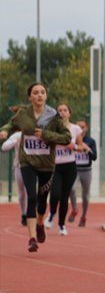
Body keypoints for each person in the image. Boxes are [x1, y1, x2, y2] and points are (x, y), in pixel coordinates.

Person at [0, 83, 71, 252]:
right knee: (31, 197)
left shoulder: (53, 115)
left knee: (41, 200)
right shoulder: (23, 113)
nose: (39, 95)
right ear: (30, 97)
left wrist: (46, 135)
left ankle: (40, 223)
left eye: (42, 92)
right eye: (35, 93)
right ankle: (32, 238)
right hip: (27, 162)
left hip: (46, 164)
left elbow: (66, 138)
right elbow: (11, 124)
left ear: (46, 96)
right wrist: (4, 131)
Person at [46, 104, 84, 235]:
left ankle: (61, 225)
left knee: (64, 197)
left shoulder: (75, 128)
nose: (62, 112)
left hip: (70, 166)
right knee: (55, 193)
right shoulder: (53, 128)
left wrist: (73, 147)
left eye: (65, 110)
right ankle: (51, 214)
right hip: (55, 165)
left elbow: (81, 146)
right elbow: (46, 143)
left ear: (69, 113)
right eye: (60, 110)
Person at [68, 120, 97, 227]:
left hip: (86, 171)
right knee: (71, 189)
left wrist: (87, 149)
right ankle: (74, 208)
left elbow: (94, 157)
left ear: (86, 128)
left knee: (85, 196)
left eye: (83, 127)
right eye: (79, 126)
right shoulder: (72, 139)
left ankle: (83, 216)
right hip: (74, 169)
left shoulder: (91, 141)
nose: (81, 129)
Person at [1, 131, 28, 226]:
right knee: (21, 192)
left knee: (30, 191)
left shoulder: (36, 133)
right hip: (19, 166)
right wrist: (15, 141)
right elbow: (4, 147)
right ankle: (24, 214)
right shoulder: (18, 135)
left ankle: (30, 214)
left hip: (33, 167)